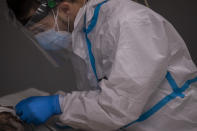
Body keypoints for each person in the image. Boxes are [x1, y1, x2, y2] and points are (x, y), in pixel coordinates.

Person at [6, 0, 197, 131]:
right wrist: (62, 115)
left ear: (64, 9)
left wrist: (57, 105)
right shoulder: (85, 34)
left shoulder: (130, 22)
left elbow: (118, 107)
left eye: (41, 30)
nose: (42, 38)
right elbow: (99, 97)